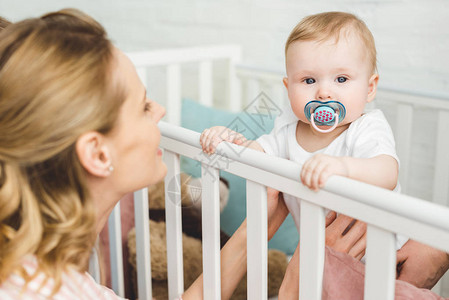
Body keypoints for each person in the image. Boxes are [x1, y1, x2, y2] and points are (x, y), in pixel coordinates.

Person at [0, 9, 289, 300]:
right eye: (143, 107)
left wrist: (256, 229)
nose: (160, 110)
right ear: (98, 155)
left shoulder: (43, 270)